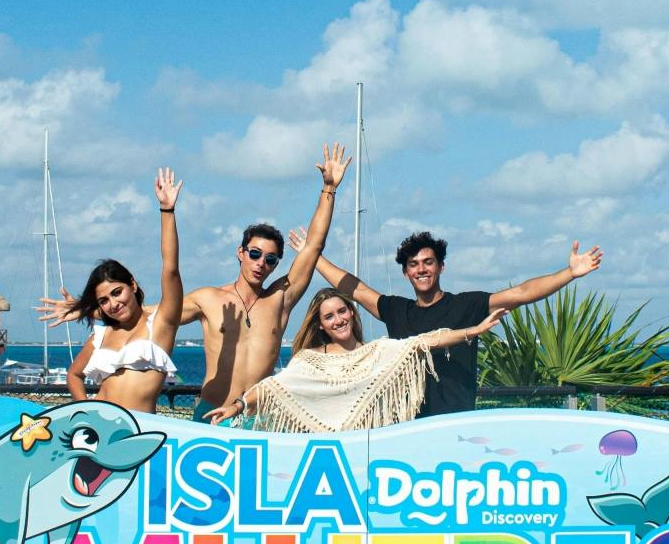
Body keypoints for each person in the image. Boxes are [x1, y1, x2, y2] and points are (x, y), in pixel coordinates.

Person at [308, 230, 604, 418]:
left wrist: (569, 273)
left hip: (456, 424)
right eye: (414, 265)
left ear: (441, 267)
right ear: (405, 273)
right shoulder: (396, 310)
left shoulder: (466, 305)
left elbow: (521, 293)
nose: (421, 269)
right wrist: (313, 256)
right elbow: (354, 288)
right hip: (406, 426)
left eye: (428, 262)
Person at [175, 144, 349, 421]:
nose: (260, 264)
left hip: (258, 416)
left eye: (270, 259)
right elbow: (155, 316)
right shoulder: (208, 299)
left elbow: (313, 246)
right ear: (240, 252)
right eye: (255, 254)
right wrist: (90, 308)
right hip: (211, 415)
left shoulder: (279, 298)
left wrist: (329, 189)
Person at [204, 288, 505, 432]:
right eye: (329, 316)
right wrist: (238, 405)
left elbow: (424, 342)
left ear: (352, 312)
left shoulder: (377, 353)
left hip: (364, 456)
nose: (338, 320)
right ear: (320, 325)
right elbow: (274, 387)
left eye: (342, 311)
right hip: (319, 458)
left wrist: (473, 331)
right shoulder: (309, 361)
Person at [36, 168, 184, 414]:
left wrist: (167, 211)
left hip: (140, 433)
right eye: (103, 300)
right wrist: (84, 410)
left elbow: (170, 269)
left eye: (117, 292)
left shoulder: (161, 324)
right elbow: (74, 375)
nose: (113, 304)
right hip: (100, 434)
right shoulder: (101, 335)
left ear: (133, 285)